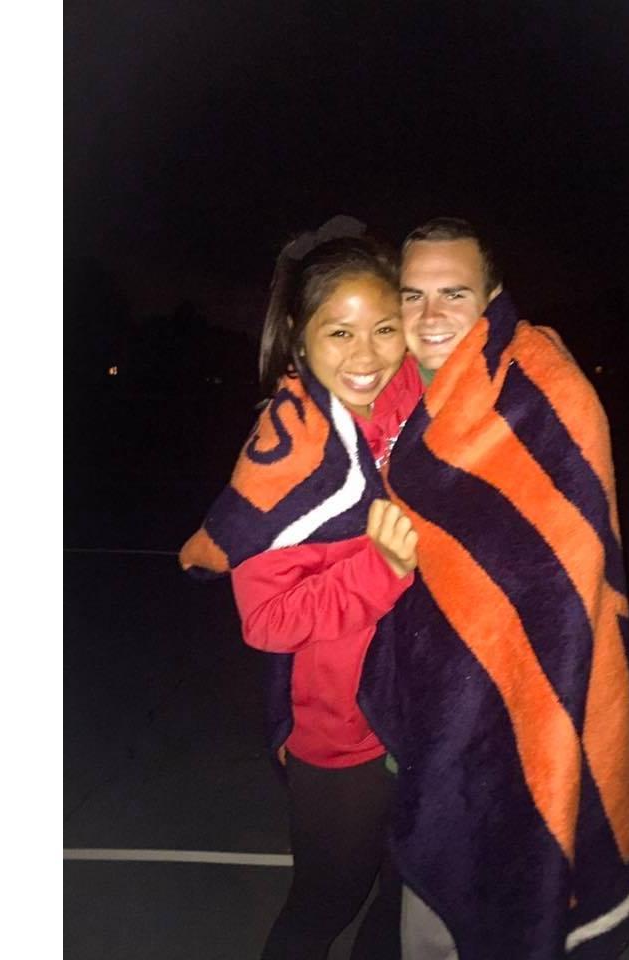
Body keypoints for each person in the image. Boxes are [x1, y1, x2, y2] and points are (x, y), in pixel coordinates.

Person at [358, 218, 629, 959]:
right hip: (418, 700)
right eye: (413, 295)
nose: (430, 316)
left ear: (492, 299)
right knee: (421, 896)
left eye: (453, 294)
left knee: (490, 891)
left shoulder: (544, 392)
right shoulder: (385, 389)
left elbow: (563, 584)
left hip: (518, 700)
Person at [179, 216, 423, 960]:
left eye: (384, 329)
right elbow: (267, 619)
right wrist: (383, 569)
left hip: (425, 709)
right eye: (339, 333)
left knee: (408, 891)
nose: (366, 356)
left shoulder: (407, 410)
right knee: (324, 905)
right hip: (341, 733)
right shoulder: (287, 458)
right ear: (299, 337)